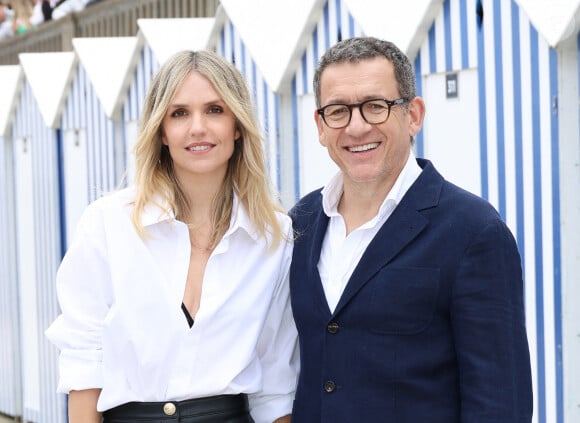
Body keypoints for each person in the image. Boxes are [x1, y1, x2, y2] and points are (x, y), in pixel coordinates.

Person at [46, 50, 298, 423]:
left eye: (215, 110)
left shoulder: (273, 236)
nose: (198, 128)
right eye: (179, 113)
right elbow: (85, 361)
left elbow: (276, 379)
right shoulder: (108, 223)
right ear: (161, 130)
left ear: (238, 126)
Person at [289, 36, 533, 422]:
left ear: (413, 115)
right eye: (338, 111)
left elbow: (500, 401)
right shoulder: (300, 222)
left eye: (375, 107)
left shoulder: (473, 231)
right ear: (320, 125)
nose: (356, 127)